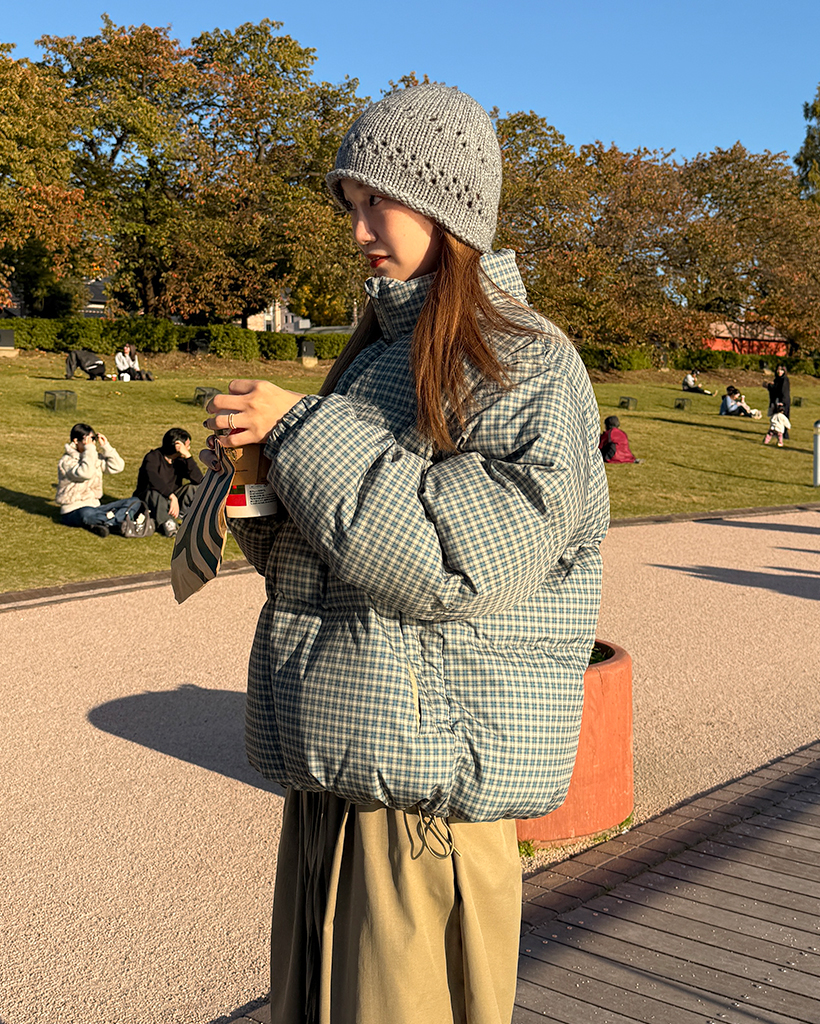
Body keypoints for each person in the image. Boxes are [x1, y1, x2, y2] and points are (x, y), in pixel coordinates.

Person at [201, 84, 609, 1024]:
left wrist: (303, 432)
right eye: (350, 204)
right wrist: (258, 480)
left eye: (377, 201)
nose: (358, 231)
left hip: (426, 808)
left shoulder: (526, 361)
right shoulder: (381, 352)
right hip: (337, 782)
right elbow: (335, 560)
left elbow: (458, 564)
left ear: (446, 206)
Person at [55, 423, 142, 537]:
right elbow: (86, 473)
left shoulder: (93, 457)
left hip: (96, 507)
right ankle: (119, 522)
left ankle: (107, 523)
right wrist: (89, 449)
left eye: (93, 440)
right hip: (74, 510)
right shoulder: (66, 462)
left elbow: (117, 467)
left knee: (135, 501)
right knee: (87, 514)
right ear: (76, 441)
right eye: (88, 440)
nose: (92, 444)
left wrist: (106, 446)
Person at [133, 428, 203, 536]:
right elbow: (154, 480)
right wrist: (171, 496)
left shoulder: (179, 461)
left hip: (172, 499)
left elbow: (199, 480)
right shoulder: (152, 458)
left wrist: (188, 457)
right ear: (176, 446)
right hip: (151, 499)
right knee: (154, 493)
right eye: (187, 446)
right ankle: (168, 523)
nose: (188, 448)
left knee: (194, 489)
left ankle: (186, 517)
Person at [764, 364, 790, 437]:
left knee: (783, 418)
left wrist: (782, 402)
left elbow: (784, 391)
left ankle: (784, 434)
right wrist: (769, 386)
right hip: (777, 400)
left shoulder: (784, 379)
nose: (779, 372)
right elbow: (775, 390)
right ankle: (776, 433)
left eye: (781, 370)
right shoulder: (777, 379)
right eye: (778, 370)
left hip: (783, 401)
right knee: (776, 418)